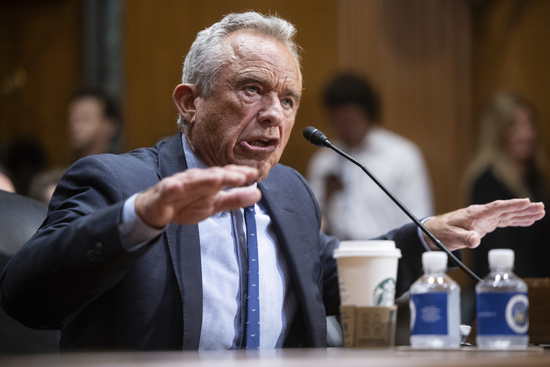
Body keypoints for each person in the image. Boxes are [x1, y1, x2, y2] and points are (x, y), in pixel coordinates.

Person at [0, 12, 544, 352]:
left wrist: (428, 235)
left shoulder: (287, 190)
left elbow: (328, 275)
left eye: (288, 100)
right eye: (252, 89)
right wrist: (141, 218)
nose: (274, 116)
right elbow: (27, 297)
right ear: (190, 102)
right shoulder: (119, 181)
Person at [307, 73, 434, 240]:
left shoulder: (402, 156)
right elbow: (312, 222)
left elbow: (418, 219)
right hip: (339, 255)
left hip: (390, 254)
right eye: (338, 119)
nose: (345, 127)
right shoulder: (323, 161)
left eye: (351, 118)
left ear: (367, 113)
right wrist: (327, 197)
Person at [464, 91, 550, 278]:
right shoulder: (487, 182)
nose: (526, 134)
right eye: (514, 126)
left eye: (529, 124)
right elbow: (493, 250)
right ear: (497, 131)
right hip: (505, 291)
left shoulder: (535, 179)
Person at [68, 88, 122, 161]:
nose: (75, 126)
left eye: (85, 118)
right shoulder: (64, 172)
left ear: (110, 126)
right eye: (74, 119)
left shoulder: (123, 170)